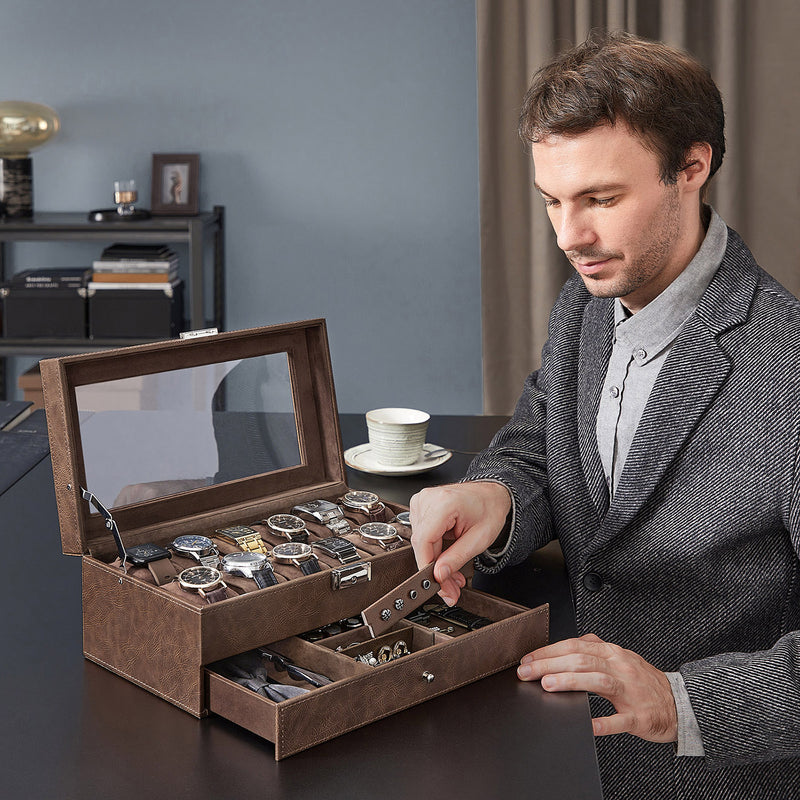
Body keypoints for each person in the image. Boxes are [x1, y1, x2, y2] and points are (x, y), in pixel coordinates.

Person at [410, 30, 800, 799]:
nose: (569, 237)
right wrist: (495, 496)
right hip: (562, 752)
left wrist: (683, 702)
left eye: (601, 199)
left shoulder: (788, 363)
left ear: (693, 166)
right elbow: (535, 443)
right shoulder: (586, 308)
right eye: (552, 201)